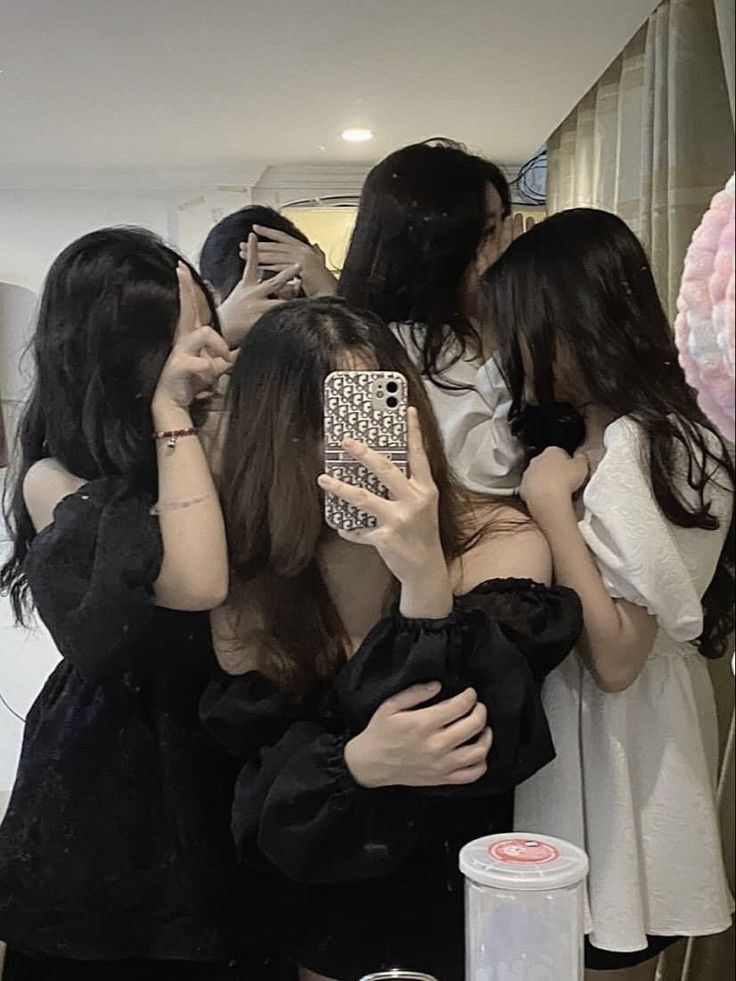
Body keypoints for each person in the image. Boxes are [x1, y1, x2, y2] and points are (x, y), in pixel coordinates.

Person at [199, 296, 583, 981]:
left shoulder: (500, 540)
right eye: (319, 421)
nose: (354, 445)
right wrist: (358, 764)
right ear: (272, 432)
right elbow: (267, 812)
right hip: (326, 922)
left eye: (368, 411)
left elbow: (480, 748)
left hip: (476, 907)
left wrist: (425, 584)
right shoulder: (252, 586)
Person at [0, 228, 292, 980]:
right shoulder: (53, 479)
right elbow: (197, 579)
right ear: (116, 353)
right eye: (177, 335)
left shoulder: (205, 428)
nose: (200, 351)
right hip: (117, 788)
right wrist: (172, 408)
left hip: (229, 749)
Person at [480, 208, 735, 980]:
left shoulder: (666, 441)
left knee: (597, 948)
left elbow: (620, 655)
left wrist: (554, 509)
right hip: (587, 735)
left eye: (518, 326)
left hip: (622, 741)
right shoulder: (598, 433)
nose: (508, 348)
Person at [339, 138, 528, 495]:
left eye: (503, 223)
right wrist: (507, 334)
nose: (506, 244)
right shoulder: (397, 346)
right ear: (439, 245)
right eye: (489, 231)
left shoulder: (467, 330)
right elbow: (490, 473)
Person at [200, 204, 337, 348]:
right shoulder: (191, 354)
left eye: (293, 280)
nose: (285, 291)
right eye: (262, 284)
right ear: (210, 295)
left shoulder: (315, 336)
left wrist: (331, 304)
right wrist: (219, 335)